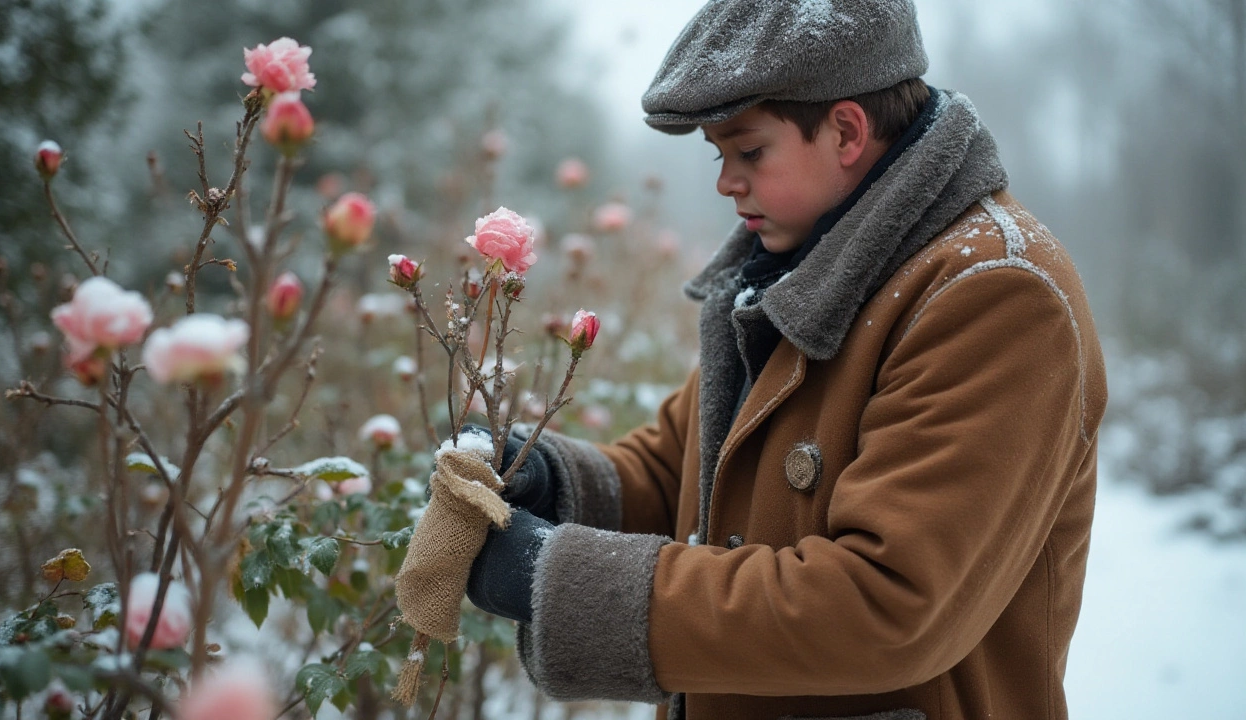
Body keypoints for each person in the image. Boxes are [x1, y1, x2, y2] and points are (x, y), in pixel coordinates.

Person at [464, 1, 1107, 718]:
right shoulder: (800, 269)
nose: (725, 182)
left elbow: (886, 605)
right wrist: (542, 481)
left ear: (846, 132)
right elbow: (678, 470)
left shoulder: (995, 295)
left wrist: (550, 577)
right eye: (719, 155)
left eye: (750, 152)